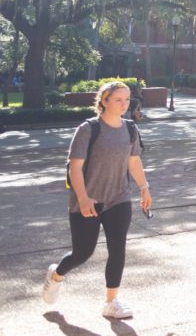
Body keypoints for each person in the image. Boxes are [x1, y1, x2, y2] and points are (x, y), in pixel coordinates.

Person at [41, 81, 151, 319]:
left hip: (118, 198)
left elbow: (133, 161)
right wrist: (82, 198)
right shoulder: (89, 129)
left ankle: (111, 302)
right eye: (118, 99)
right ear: (104, 101)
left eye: (127, 99)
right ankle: (56, 275)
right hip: (88, 199)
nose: (124, 104)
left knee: (118, 247)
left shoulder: (131, 129)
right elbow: (75, 168)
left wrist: (144, 187)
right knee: (82, 252)